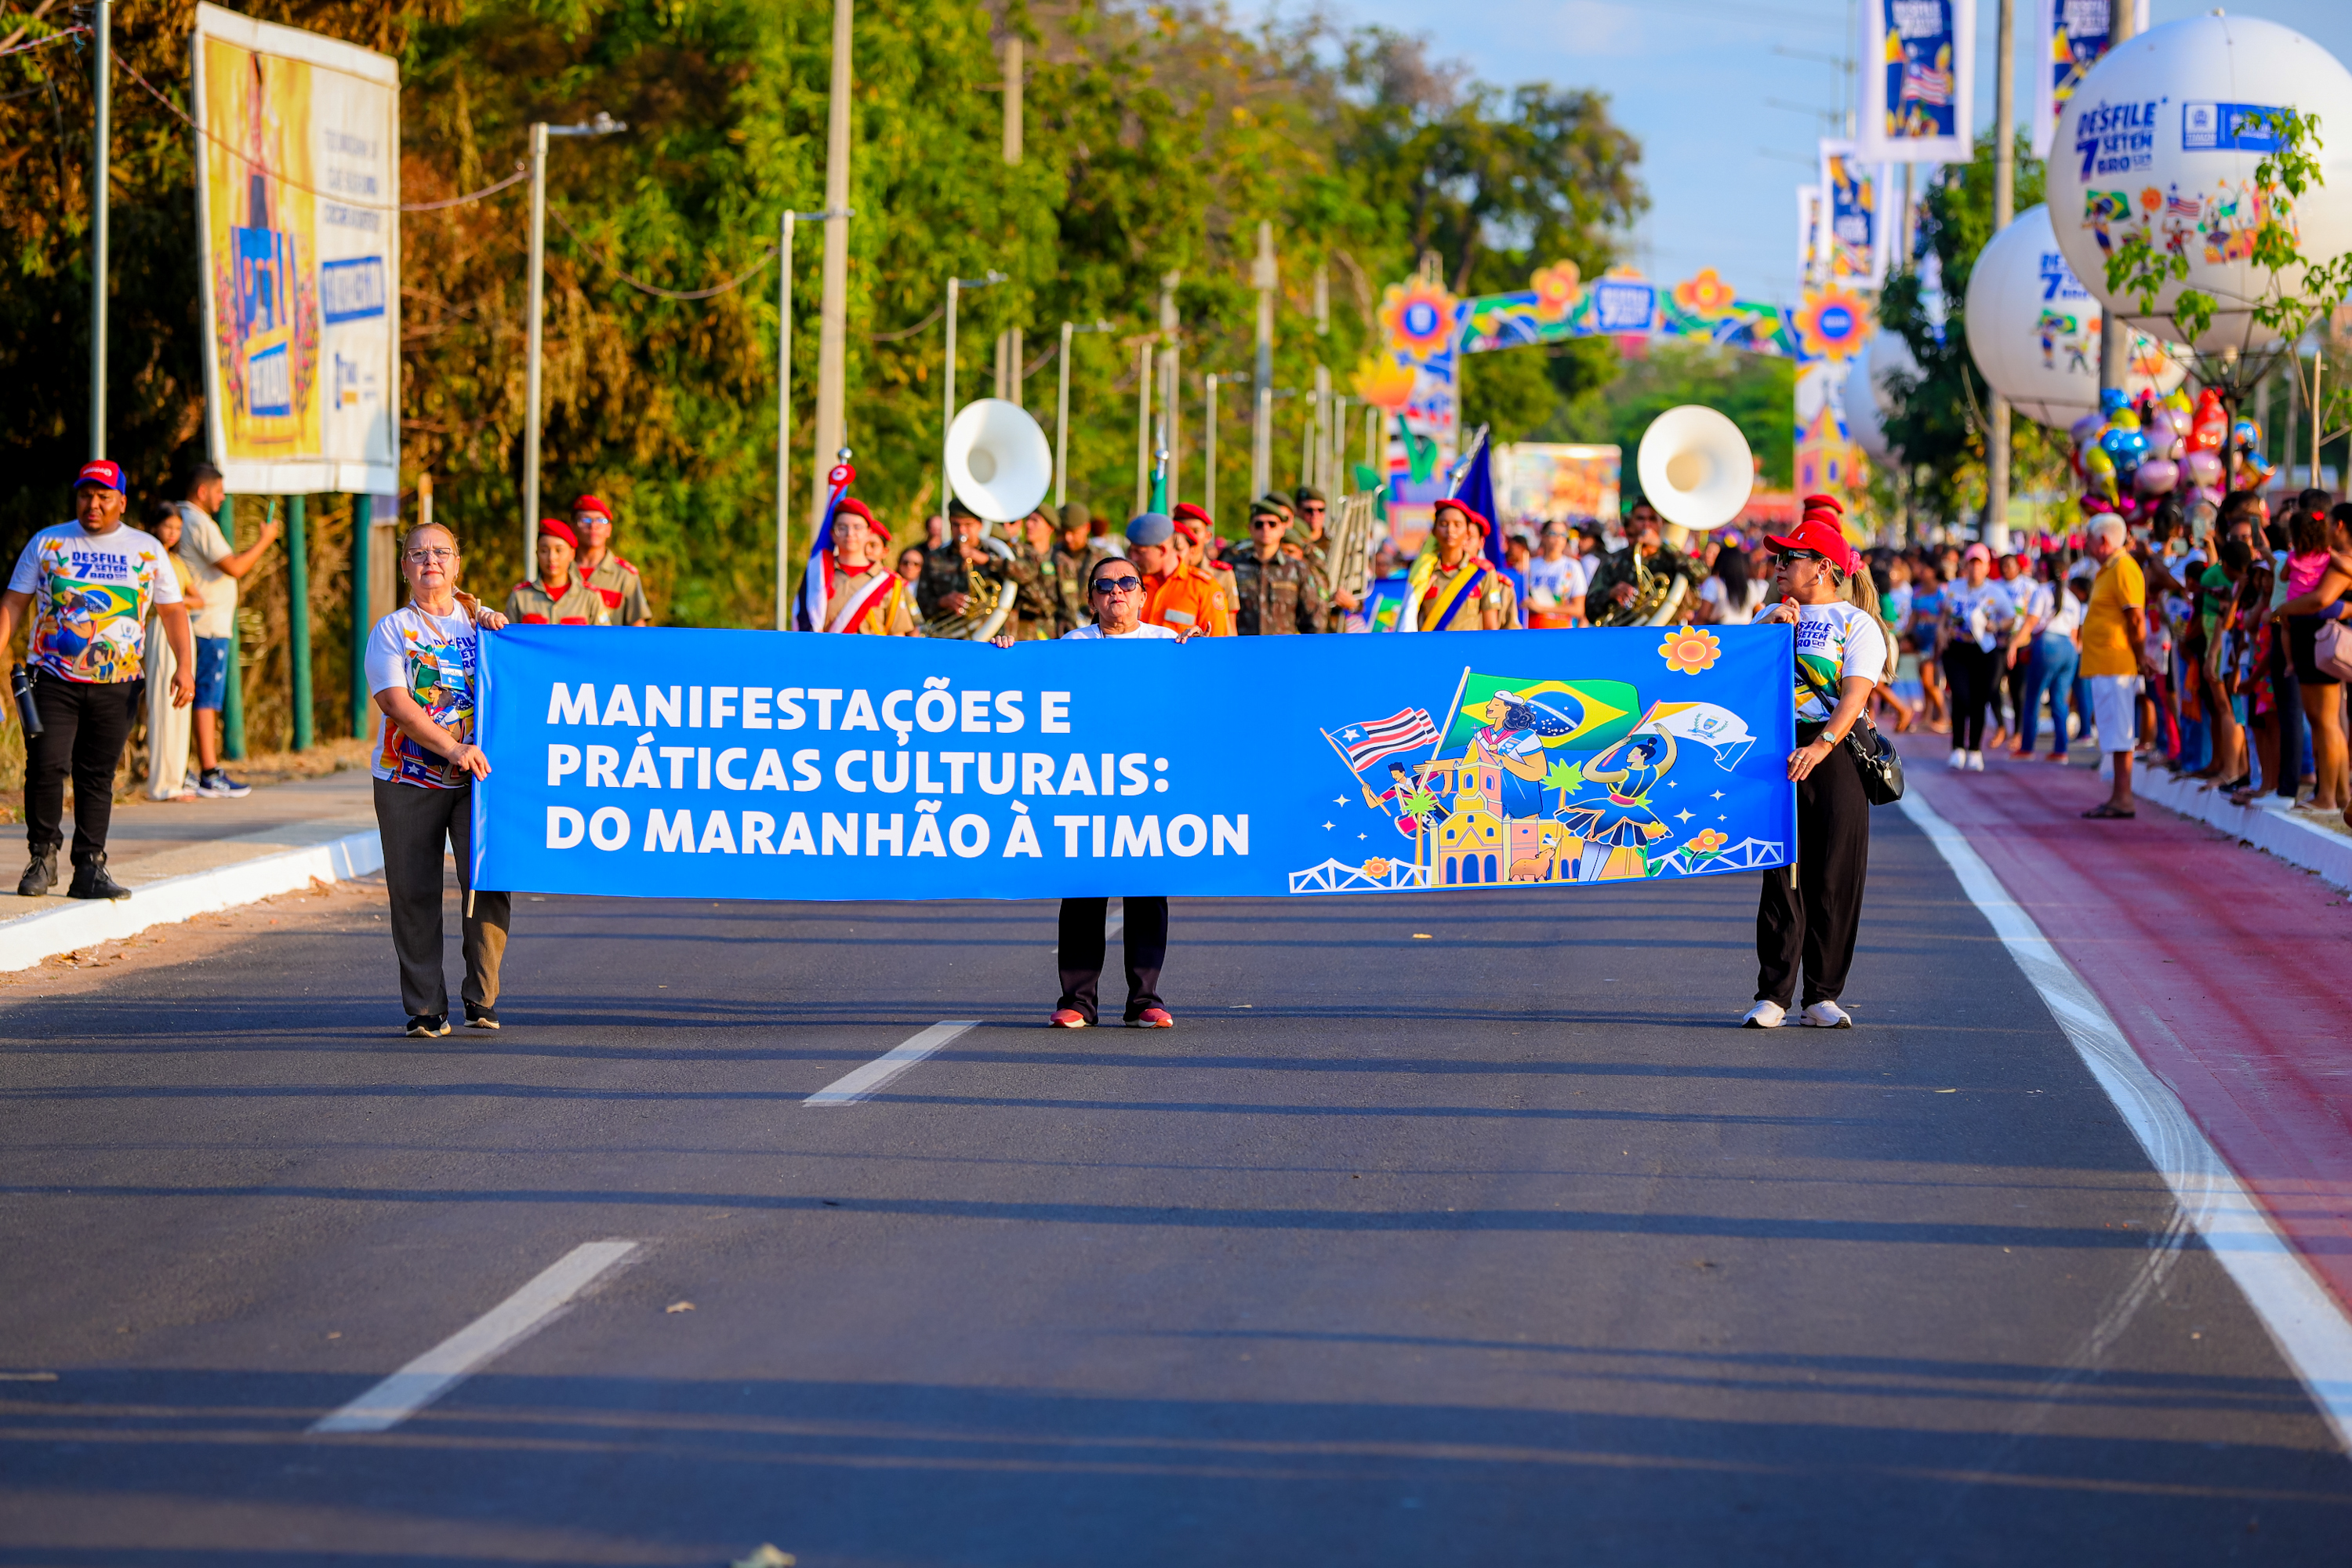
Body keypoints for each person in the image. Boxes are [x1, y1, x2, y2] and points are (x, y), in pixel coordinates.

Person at [993, 554, 1189, 1029]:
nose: (1116, 591)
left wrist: (1195, 660)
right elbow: (1038, 689)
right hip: (1087, 780)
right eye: (1105, 585)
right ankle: (1077, 1000)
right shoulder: (1072, 645)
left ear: (1143, 594)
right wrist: (1006, 658)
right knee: (1083, 887)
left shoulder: (1168, 642)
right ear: (1091, 599)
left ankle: (1146, 1000)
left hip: (1149, 781)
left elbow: (1194, 700)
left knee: (1146, 888)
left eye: (1127, 582)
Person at [3, 461, 194, 899]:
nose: (93, 504)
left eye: (104, 496)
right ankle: (42, 856)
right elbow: (14, 604)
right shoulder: (49, 542)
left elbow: (173, 612)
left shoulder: (146, 549)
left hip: (120, 683)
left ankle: (90, 865)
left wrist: (185, 666)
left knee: (97, 774)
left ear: (121, 502)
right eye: (86, 495)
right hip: (51, 677)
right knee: (47, 763)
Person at [367, 521, 511, 1036]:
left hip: (479, 782)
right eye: (419, 553)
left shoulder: (483, 624)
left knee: (489, 882)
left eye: (441, 552)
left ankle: (483, 998)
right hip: (408, 780)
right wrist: (452, 747)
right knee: (414, 892)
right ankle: (427, 1008)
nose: (431, 560)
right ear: (405, 567)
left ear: (457, 565)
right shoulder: (391, 630)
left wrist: (503, 627)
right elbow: (396, 704)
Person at [1746, 503, 1884, 1029]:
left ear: (1823, 567)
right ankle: (1773, 996)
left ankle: (1822, 995)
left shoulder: (1857, 623)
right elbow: (1736, 684)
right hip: (1777, 750)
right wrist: (1768, 637)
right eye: (1779, 556)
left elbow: (1855, 696)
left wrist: (1823, 745)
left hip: (1835, 753)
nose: (1779, 563)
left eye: (1791, 556)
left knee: (1833, 874)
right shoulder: (1765, 619)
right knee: (1781, 873)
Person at [174, 463, 278, 798]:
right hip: (206, 625)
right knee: (206, 697)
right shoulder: (197, 521)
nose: (222, 498)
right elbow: (234, 566)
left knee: (196, 696)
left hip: (198, 624)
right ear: (202, 491)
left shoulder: (181, 517)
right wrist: (265, 540)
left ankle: (184, 767)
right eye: (219, 491)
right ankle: (209, 770)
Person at [2277, 500, 2352, 813]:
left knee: (2325, 721)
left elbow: (2321, 601)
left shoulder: (2340, 560)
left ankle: (2329, 797)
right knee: (2323, 720)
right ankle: (2339, 796)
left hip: (2319, 639)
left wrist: (2282, 610)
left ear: (2339, 526)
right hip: (2312, 639)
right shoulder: (2332, 560)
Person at [2078, 514, 2154, 818]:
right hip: (2106, 663)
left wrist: (2139, 656)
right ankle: (2117, 796)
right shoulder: (2108, 569)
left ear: (2104, 541)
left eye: (2089, 539)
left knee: (2121, 733)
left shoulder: (2124, 567)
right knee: (2112, 731)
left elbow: (2135, 619)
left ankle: (2124, 798)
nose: (2086, 545)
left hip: (2117, 662)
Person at [142, 500, 202, 801]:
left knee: (181, 704)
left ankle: (175, 780)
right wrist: (171, 604)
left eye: (178, 528)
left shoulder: (176, 564)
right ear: (154, 526)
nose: (173, 533)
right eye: (168, 526)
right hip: (158, 630)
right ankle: (161, 783)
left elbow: (198, 599)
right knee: (162, 703)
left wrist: (175, 604)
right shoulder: (146, 557)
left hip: (181, 631)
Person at [1937, 543, 2010, 771]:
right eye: (1972, 564)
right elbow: (1944, 615)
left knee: (1979, 699)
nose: (1975, 569)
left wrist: (1995, 625)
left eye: (1980, 564)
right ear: (1966, 566)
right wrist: (1941, 631)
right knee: (1960, 697)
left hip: (1984, 651)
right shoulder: (1954, 588)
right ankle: (1957, 747)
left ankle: (1975, 750)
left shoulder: (1995, 591)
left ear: (1987, 567)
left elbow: (2011, 618)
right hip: (1957, 649)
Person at [1584, 495, 1701, 626]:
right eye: (1640, 518)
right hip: (1627, 636)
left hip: (1667, 634)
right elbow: (1589, 609)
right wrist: (1611, 594)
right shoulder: (1614, 560)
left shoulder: (1672, 558)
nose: (1646, 524)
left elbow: (1701, 573)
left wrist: (1663, 545)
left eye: (1652, 519)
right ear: (1632, 521)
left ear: (1661, 523)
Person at [808, 499, 918, 634]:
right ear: (832, 534)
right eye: (842, 527)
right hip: (828, 654)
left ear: (869, 533)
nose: (850, 534)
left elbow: (898, 637)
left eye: (857, 527)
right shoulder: (818, 576)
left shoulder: (889, 583)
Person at [1404, 500, 1516, 631]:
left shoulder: (1482, 572)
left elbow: (1491, 627)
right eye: (1443, 524)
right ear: (1434, 531)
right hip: (1433, 650)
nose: (1450, 530)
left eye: (1457, 525)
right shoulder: (1423, 572)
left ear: (1467, 533)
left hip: (1469, 651)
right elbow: (1408, 621)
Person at [2017, 557, 2085, 761]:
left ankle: (2027, 747)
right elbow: (2074, 635)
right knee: (2059, 701)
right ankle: (2061, 750)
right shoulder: (2073, 599)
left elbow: (2030, 623)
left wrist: (2014, 645)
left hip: (2048, 644)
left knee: (2033, 698)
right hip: (2069, 650)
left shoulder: (2042, 592)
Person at [918, 501, 1016, 638]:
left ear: (980, 525)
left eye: (968, 525)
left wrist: (987, 560)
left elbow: (1026, 575)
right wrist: (943, 601)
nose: (962, 531)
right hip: (948, 639)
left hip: (992, 638)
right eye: (956, 525)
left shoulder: (996, 554)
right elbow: (921, 604)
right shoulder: (934, 559)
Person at [1229, 499, 1327, 635]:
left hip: (1285, 652)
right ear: (1250, 529)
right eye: (1259, 524)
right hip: (1243, 651)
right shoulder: (1234, 568)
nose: (1265, 529)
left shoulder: (1298, 569)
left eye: (1272, 524)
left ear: (1282, 529)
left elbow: (1313, 621)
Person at [1130, 513, 1232, 637]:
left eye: (1139, 552)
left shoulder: (1204, 588)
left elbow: (1217, 644)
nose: (1133, 557)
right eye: (1131, 551)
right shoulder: (1133, 585)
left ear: (1162, 550)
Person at [505, 519, 612, 625]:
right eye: (544, 551)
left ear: (572, 554)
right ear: (537, 554)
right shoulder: (520, 596)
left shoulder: (589, 597)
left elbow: (605, 638)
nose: (552, 558)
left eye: (559, 550)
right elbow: (507, 638)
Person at [568, 495, 653, 625]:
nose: (593, 526)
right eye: (585, 520)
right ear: (573, 528)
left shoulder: (625, 576)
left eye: (601, 521)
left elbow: (638, 628)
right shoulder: (560, 571)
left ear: (609, 529)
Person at [1171, 505, 1240, 630]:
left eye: (1195, 531)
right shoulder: (1164, 574)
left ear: (1208, 536)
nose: (1190, 536)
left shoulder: (1222, 575)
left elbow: (1230, 626)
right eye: (1183, 530)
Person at [1523, 521, 1586, 627]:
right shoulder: (1530, 565)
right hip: (1532, 630)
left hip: (1560, 631)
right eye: (1553, 534)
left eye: (1563, 535)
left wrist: (1541, 608)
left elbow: (1578, 609)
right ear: (1543, 536)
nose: (1558, 539)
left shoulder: (1573, 566)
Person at [1697, 543, 1767, 626]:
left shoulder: (1714, 583)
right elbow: (1760, 613)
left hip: (1720, 633)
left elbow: (1702, 616)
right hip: (1744, 633)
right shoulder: (1751, 586)